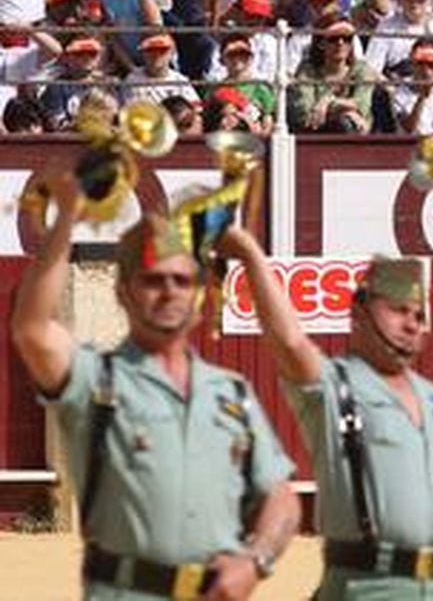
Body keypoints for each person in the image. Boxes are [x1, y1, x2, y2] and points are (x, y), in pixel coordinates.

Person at [9, 173, 299, 598]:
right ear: (123, 292)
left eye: (181, 281)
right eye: (152, 280)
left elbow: (282, 498)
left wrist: (257, 560)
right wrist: (66, 220)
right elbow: (32, 330)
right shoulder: (98, 380)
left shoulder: (231, 393)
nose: (168, 292)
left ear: (199, 296)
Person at [219, 237, 433, 597]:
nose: (411, 324)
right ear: (359, 311)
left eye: (419, 315)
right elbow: (288, 341)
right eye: (398, 310)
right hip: (369, 585)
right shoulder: (334, 387)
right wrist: (251, 255)